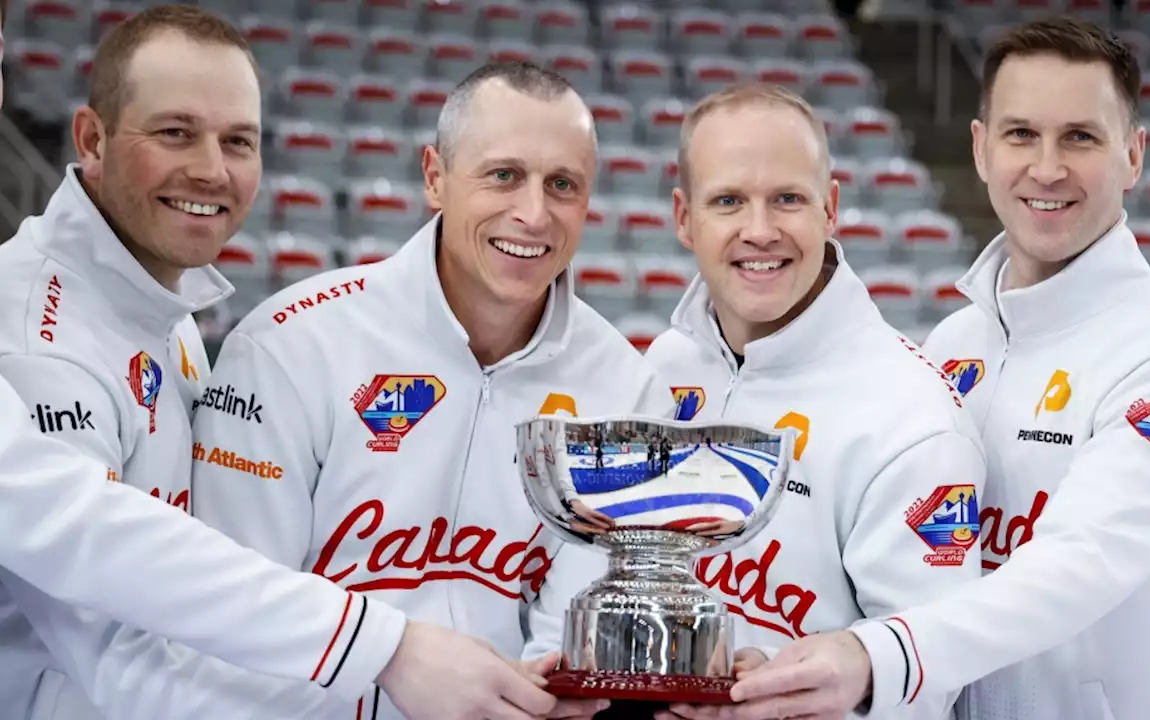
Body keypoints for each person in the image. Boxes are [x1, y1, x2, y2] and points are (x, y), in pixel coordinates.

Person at [723, 17, 1150, 720]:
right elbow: (892, 565)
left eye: (1081, 137)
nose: (1047, 167)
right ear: (980, 148)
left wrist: (872, 657)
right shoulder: (954, 346)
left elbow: (1071, 570)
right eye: (1021, 134)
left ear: (1133, 155)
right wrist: (790, 658)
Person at [0, 6, 516, 720]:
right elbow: (121, 663)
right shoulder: (37, 338)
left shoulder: (152, 296)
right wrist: (383, 665)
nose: (212, 170)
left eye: (238, 141)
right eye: (176, 133)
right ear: (92, 138)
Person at [188, 60, 672, 720]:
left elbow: (574, 631)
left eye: (562, 185)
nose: (533, 213)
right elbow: (229, 608)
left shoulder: (625, 388)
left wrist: (549, 691)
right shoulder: (290, 343)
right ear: (435, 178)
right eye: (504, 176)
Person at [527, 83, 987, 720]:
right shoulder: (664, 368)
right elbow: (591, 569)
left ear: (830, 208)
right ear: (685, 219)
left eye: (788, 200)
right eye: (729, 201)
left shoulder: (913, 415)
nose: (760, 231)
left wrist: (782, 702)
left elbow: (928, 681)